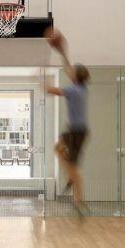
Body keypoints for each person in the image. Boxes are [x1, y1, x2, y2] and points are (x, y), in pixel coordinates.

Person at [44, 27, 90, 216]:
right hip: (75, 131)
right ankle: (71, 180)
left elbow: (51, 91)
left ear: (75, 78)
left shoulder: (73, 90)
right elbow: (69, 68)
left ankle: (78, 198)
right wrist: (62, 52)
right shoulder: (81, 88)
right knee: (58, 150)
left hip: (77, 132)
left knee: (72, 166)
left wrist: (40, 80)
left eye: (72, 74)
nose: (69, 73)